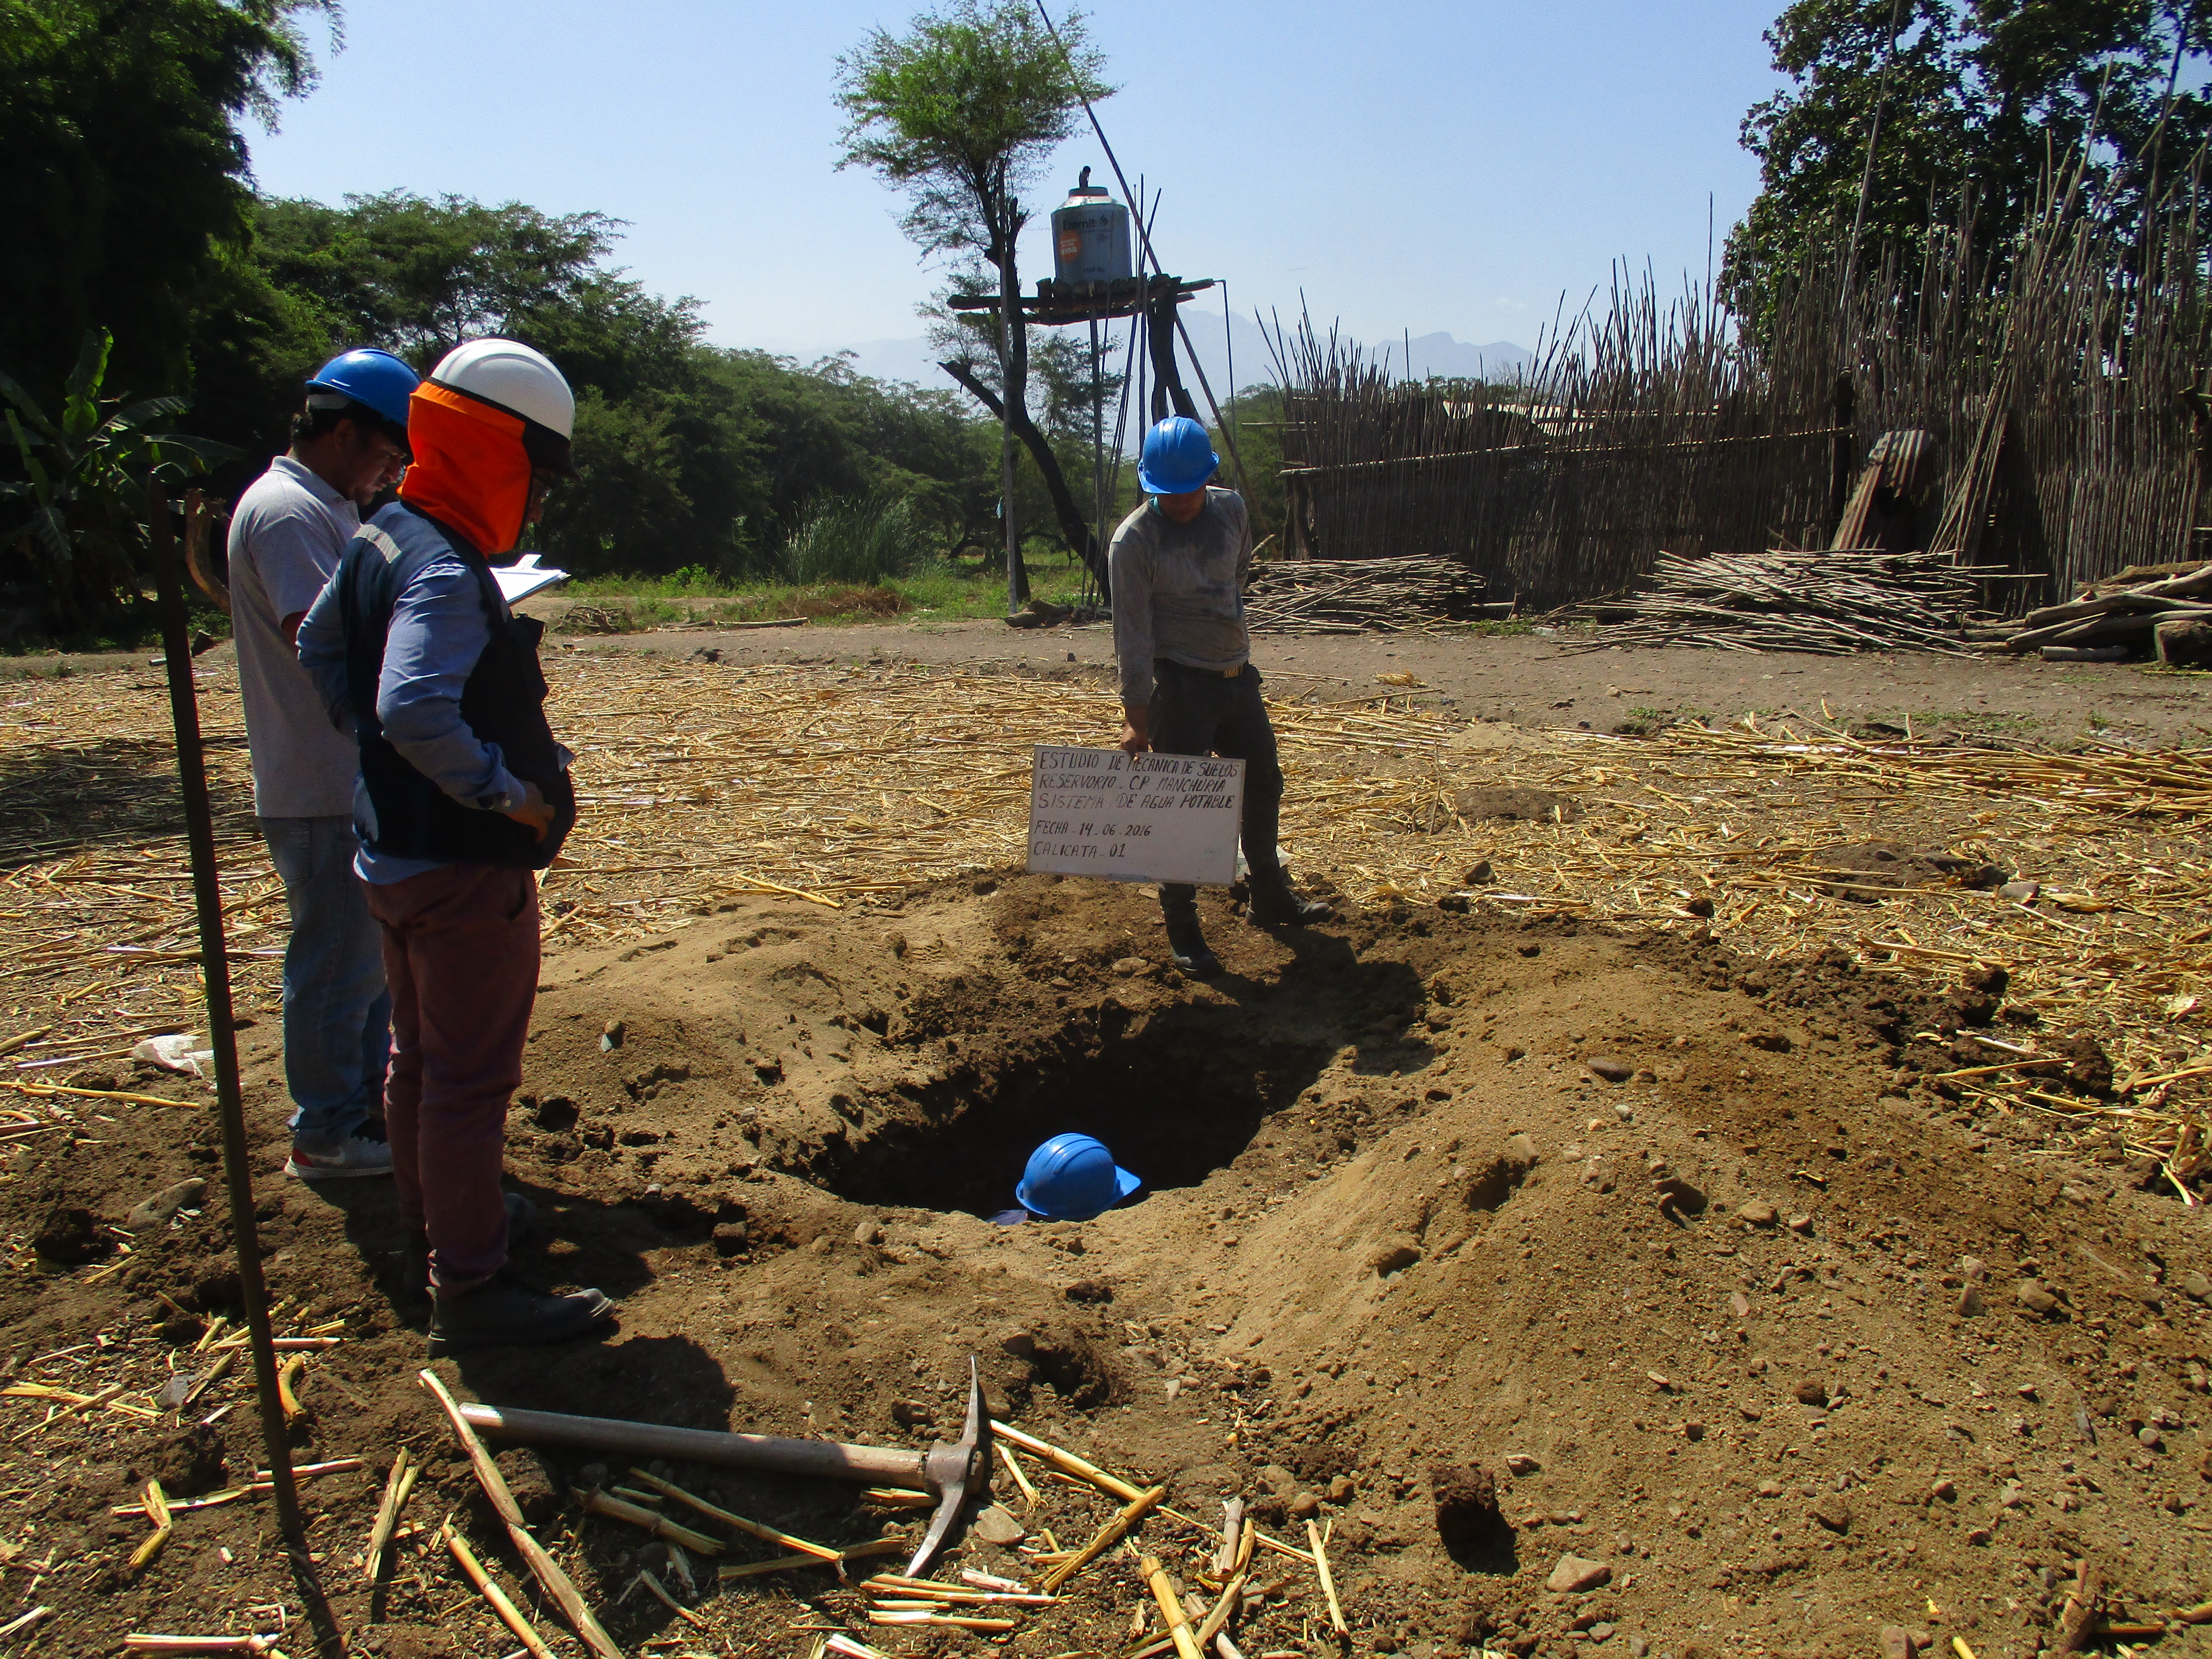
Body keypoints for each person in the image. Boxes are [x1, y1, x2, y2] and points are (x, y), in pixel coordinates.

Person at [298, 337, 613, 1353]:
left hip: (390, 854)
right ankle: (472, 1288)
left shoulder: (380, 531)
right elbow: (413, 702)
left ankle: (438, 1228)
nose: (537, 492)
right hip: (460, 870)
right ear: (496, 450)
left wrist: (375, 750)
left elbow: (321, 645)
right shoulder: (439, 563)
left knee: (418, 1063)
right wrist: (510, 797)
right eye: (534, 467)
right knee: (469, 1084)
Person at [228, 349, 416, 1181]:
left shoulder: (328, 508)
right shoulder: (286, 515)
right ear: (342, 433)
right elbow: (327, 642)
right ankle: (328, 1129)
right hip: (318, 780)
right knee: (335, 963)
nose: (391, 471)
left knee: (364, 967)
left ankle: (359, 1113)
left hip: (349, 777)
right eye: (386, 453)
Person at [1109, 415, 1331, 975]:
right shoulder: (1134, 542)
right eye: (1167, 493)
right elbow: (1131, 635)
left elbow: (1237, 574)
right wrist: (1136, 719)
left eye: (1189, 491)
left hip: (1237, 677)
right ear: (1149, 486)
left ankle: (1269, 897)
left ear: (1207, 479)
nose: (1180, 502)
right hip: (1180, 687)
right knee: (1180, 807)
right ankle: (1184, 929)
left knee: (1262, 781)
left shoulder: (1231, 510)